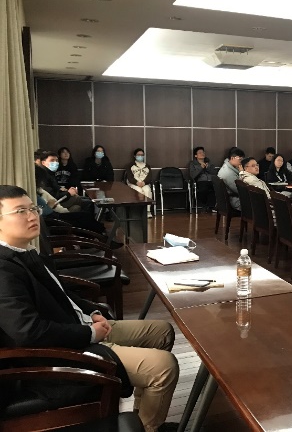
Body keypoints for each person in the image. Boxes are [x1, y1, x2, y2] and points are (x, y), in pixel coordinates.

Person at [0, 185, 179, 432]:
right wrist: (91, 334)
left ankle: (142, 415)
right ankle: (149, 428)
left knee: (162, 331)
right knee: (164, 367)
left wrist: (92, 312)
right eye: (21, 211)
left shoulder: (24, 252)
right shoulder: (3, 269)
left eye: (33, 209)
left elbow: (62, 292)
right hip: (59, 355)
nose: (32, 216)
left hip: (77, 326)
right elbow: (28, 332)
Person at [126, 148, 153, 218]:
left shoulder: (147, 166)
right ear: (135, 156)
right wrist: (136, 182)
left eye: (142, 155)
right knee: (139, 191)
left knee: (147, 190)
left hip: (144, 183)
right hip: (134, 184)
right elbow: (130, 177)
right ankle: (138, 211)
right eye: (138, 155)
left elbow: (149, 177)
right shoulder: (130, 165)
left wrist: (144, 182)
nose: (140, 156)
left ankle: (147, 211)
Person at [189, 146, 217, 212]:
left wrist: (208, 168)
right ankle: (204, 205)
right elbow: (193, 175)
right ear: (196, 155)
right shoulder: (193, 164)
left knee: (217, 187)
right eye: (200, 153)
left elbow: (214, 172)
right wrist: (200, 168)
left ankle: (214, 206)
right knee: (203, 189)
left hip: (211, 180)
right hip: (200, 181)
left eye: (203, 152)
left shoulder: (209, 162)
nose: (202, 154)